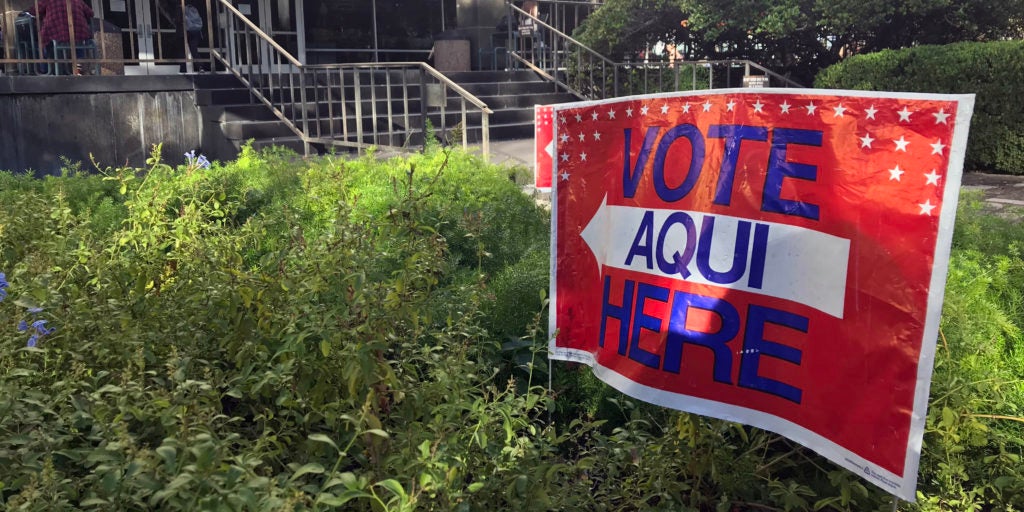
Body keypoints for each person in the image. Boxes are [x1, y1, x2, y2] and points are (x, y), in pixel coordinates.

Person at [26, 0, 94, 75]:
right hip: (79, 33)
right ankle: (79, 68)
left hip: (56, 34)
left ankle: (45, 71)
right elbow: (90, 13)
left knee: (43, 44)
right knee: (79, 44)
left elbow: (34, 11)